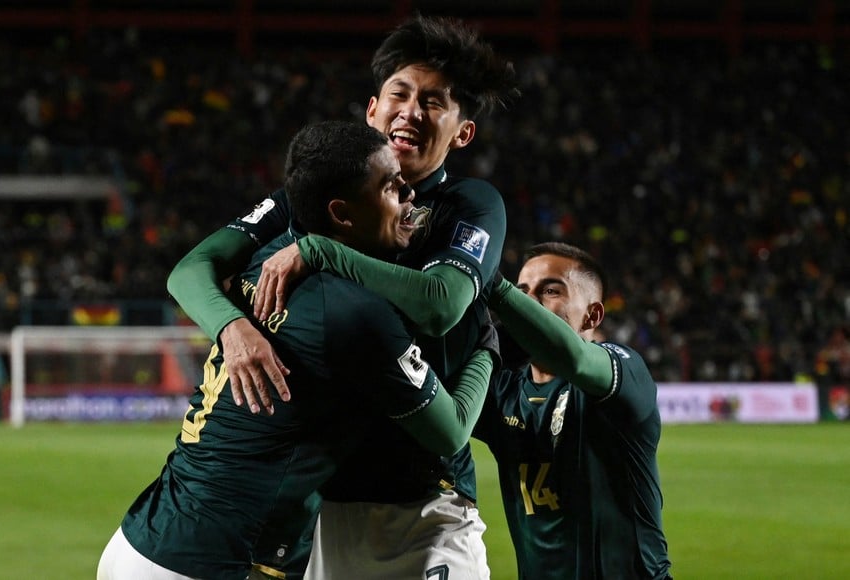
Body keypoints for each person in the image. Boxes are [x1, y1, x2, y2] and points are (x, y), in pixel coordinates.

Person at [166, 15, 519, 579]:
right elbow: (191, 270)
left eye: (433, 102)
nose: (411, 111)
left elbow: (441, 302)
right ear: (372, 110)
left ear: (462, 132)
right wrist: (233, 330)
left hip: (429, 503)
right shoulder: (315, 193)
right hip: (324, 510)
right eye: (400, 94)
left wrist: (324, 252)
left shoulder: (472, 208)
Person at [97, 120, 494, 580]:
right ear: (341, 214)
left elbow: (194, 268)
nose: (409, 194)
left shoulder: (266, 256)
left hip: (146, 536)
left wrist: (230, 323)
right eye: (391, 187)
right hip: (213, 563)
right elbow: (450, 431)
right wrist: (487, 347)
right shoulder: (353, 314)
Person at [475, 241, 672, 579]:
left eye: (550, 290)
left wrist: (490, 284)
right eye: (522, 291)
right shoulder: (502, 391)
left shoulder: (625, 371)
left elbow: (575, 359)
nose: (527, 302)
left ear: (592, 315)